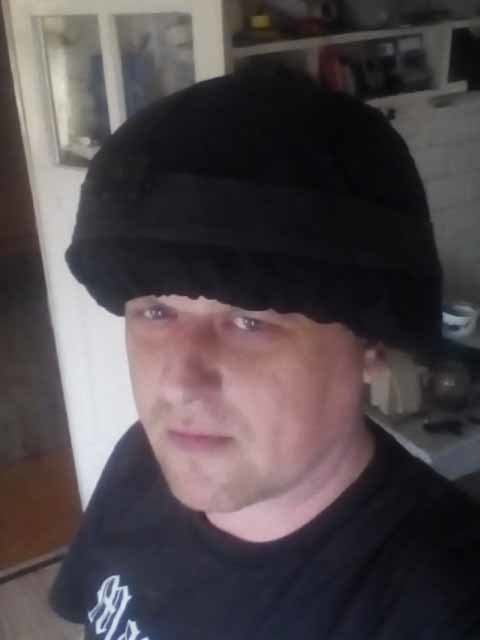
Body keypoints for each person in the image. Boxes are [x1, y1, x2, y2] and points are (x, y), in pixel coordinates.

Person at [49, 64, 480, 639]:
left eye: (248, 321)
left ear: (371, 344)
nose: (178, 384)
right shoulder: (139, 463)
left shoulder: (446, 606)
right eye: (156, 312)